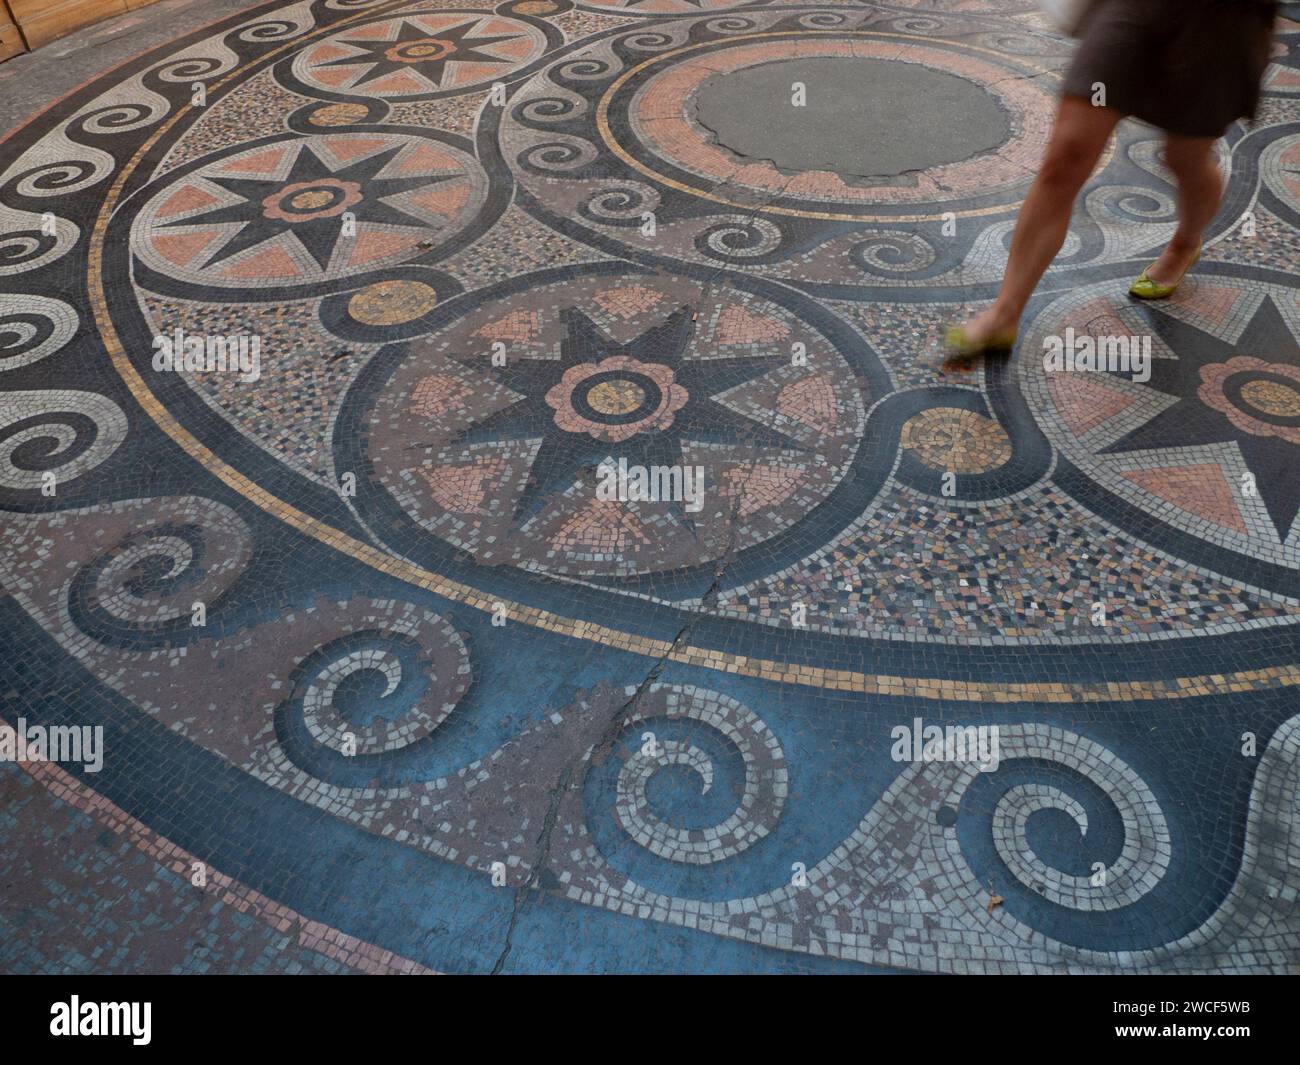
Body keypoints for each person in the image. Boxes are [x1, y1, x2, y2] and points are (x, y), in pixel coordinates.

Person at [947, 0, 1278, 359]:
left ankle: (1185, 243)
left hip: (1218, 21)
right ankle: (1004, 315)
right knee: (1066, 154)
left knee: (1185, 158)